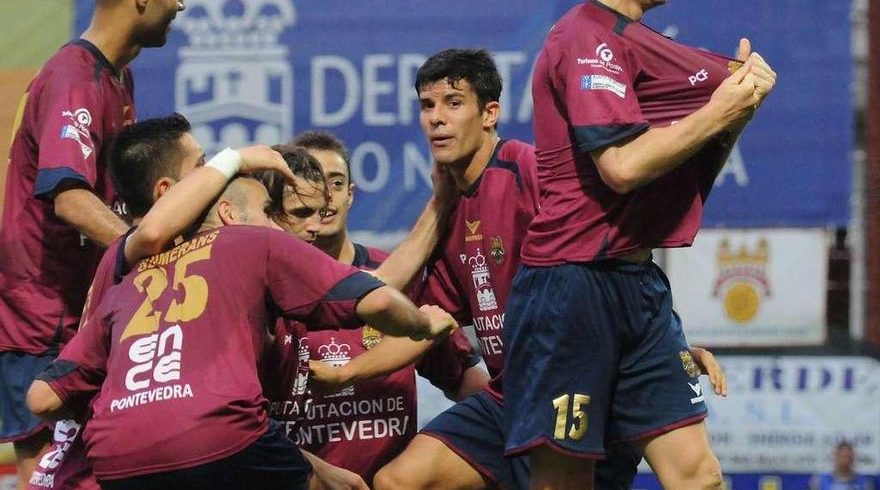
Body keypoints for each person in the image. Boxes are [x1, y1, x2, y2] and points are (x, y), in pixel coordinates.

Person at [371, 47, 728, 490]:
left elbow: (609, 263)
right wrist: (346, 371)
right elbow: (431, 321)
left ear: (490, 114)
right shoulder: (451, 210)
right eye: (428, 106)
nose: (436, 118)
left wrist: (659, 347)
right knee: (397, 482)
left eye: (453, 102)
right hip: (512, 396)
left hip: (581, 383)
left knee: (698, 477)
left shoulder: (529, 170)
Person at [24, 168, 457, 489]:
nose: (282, 225)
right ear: (230, 214)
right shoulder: (255, 244)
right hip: (221, 435)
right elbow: (378, 298)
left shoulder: (130, 280)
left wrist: (132, 407)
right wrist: (422, 323)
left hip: (118, 456)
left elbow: (42, 398)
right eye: (271, 211)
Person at [502, 0, 776, 489]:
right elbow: (622, 167)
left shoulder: (638, 42)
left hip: (640, 285)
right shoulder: (585, 36)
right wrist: (721, 108)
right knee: (563, 483)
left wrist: (739, 112)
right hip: (570, 287)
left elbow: (684, 153)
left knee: (701, 477)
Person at [25, 114, 299, 490]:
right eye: (202, 166)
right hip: (101, 475)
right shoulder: (135, 255)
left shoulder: (175, 257)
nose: (216, 177)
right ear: (167, 191)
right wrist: (235, 157)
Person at [0, 0, 185, 486]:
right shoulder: (73, 77)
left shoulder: (116, 76)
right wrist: (151, 253)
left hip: (88, 310)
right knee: (47, 475)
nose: (181, 3)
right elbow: (70, 198)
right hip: (43, 318)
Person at [258, 135, 487, 487]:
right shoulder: (261, 289)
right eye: (309, 187)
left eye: (334, 183)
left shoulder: (401, 277)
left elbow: (462, 376)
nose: (325, 198)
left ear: (350, 192)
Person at [810, 441, 876, 490]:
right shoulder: (819, 481)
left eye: (849, 457)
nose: (846, 461)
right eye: (843, 456)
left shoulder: (864, 483)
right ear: (835, 457)